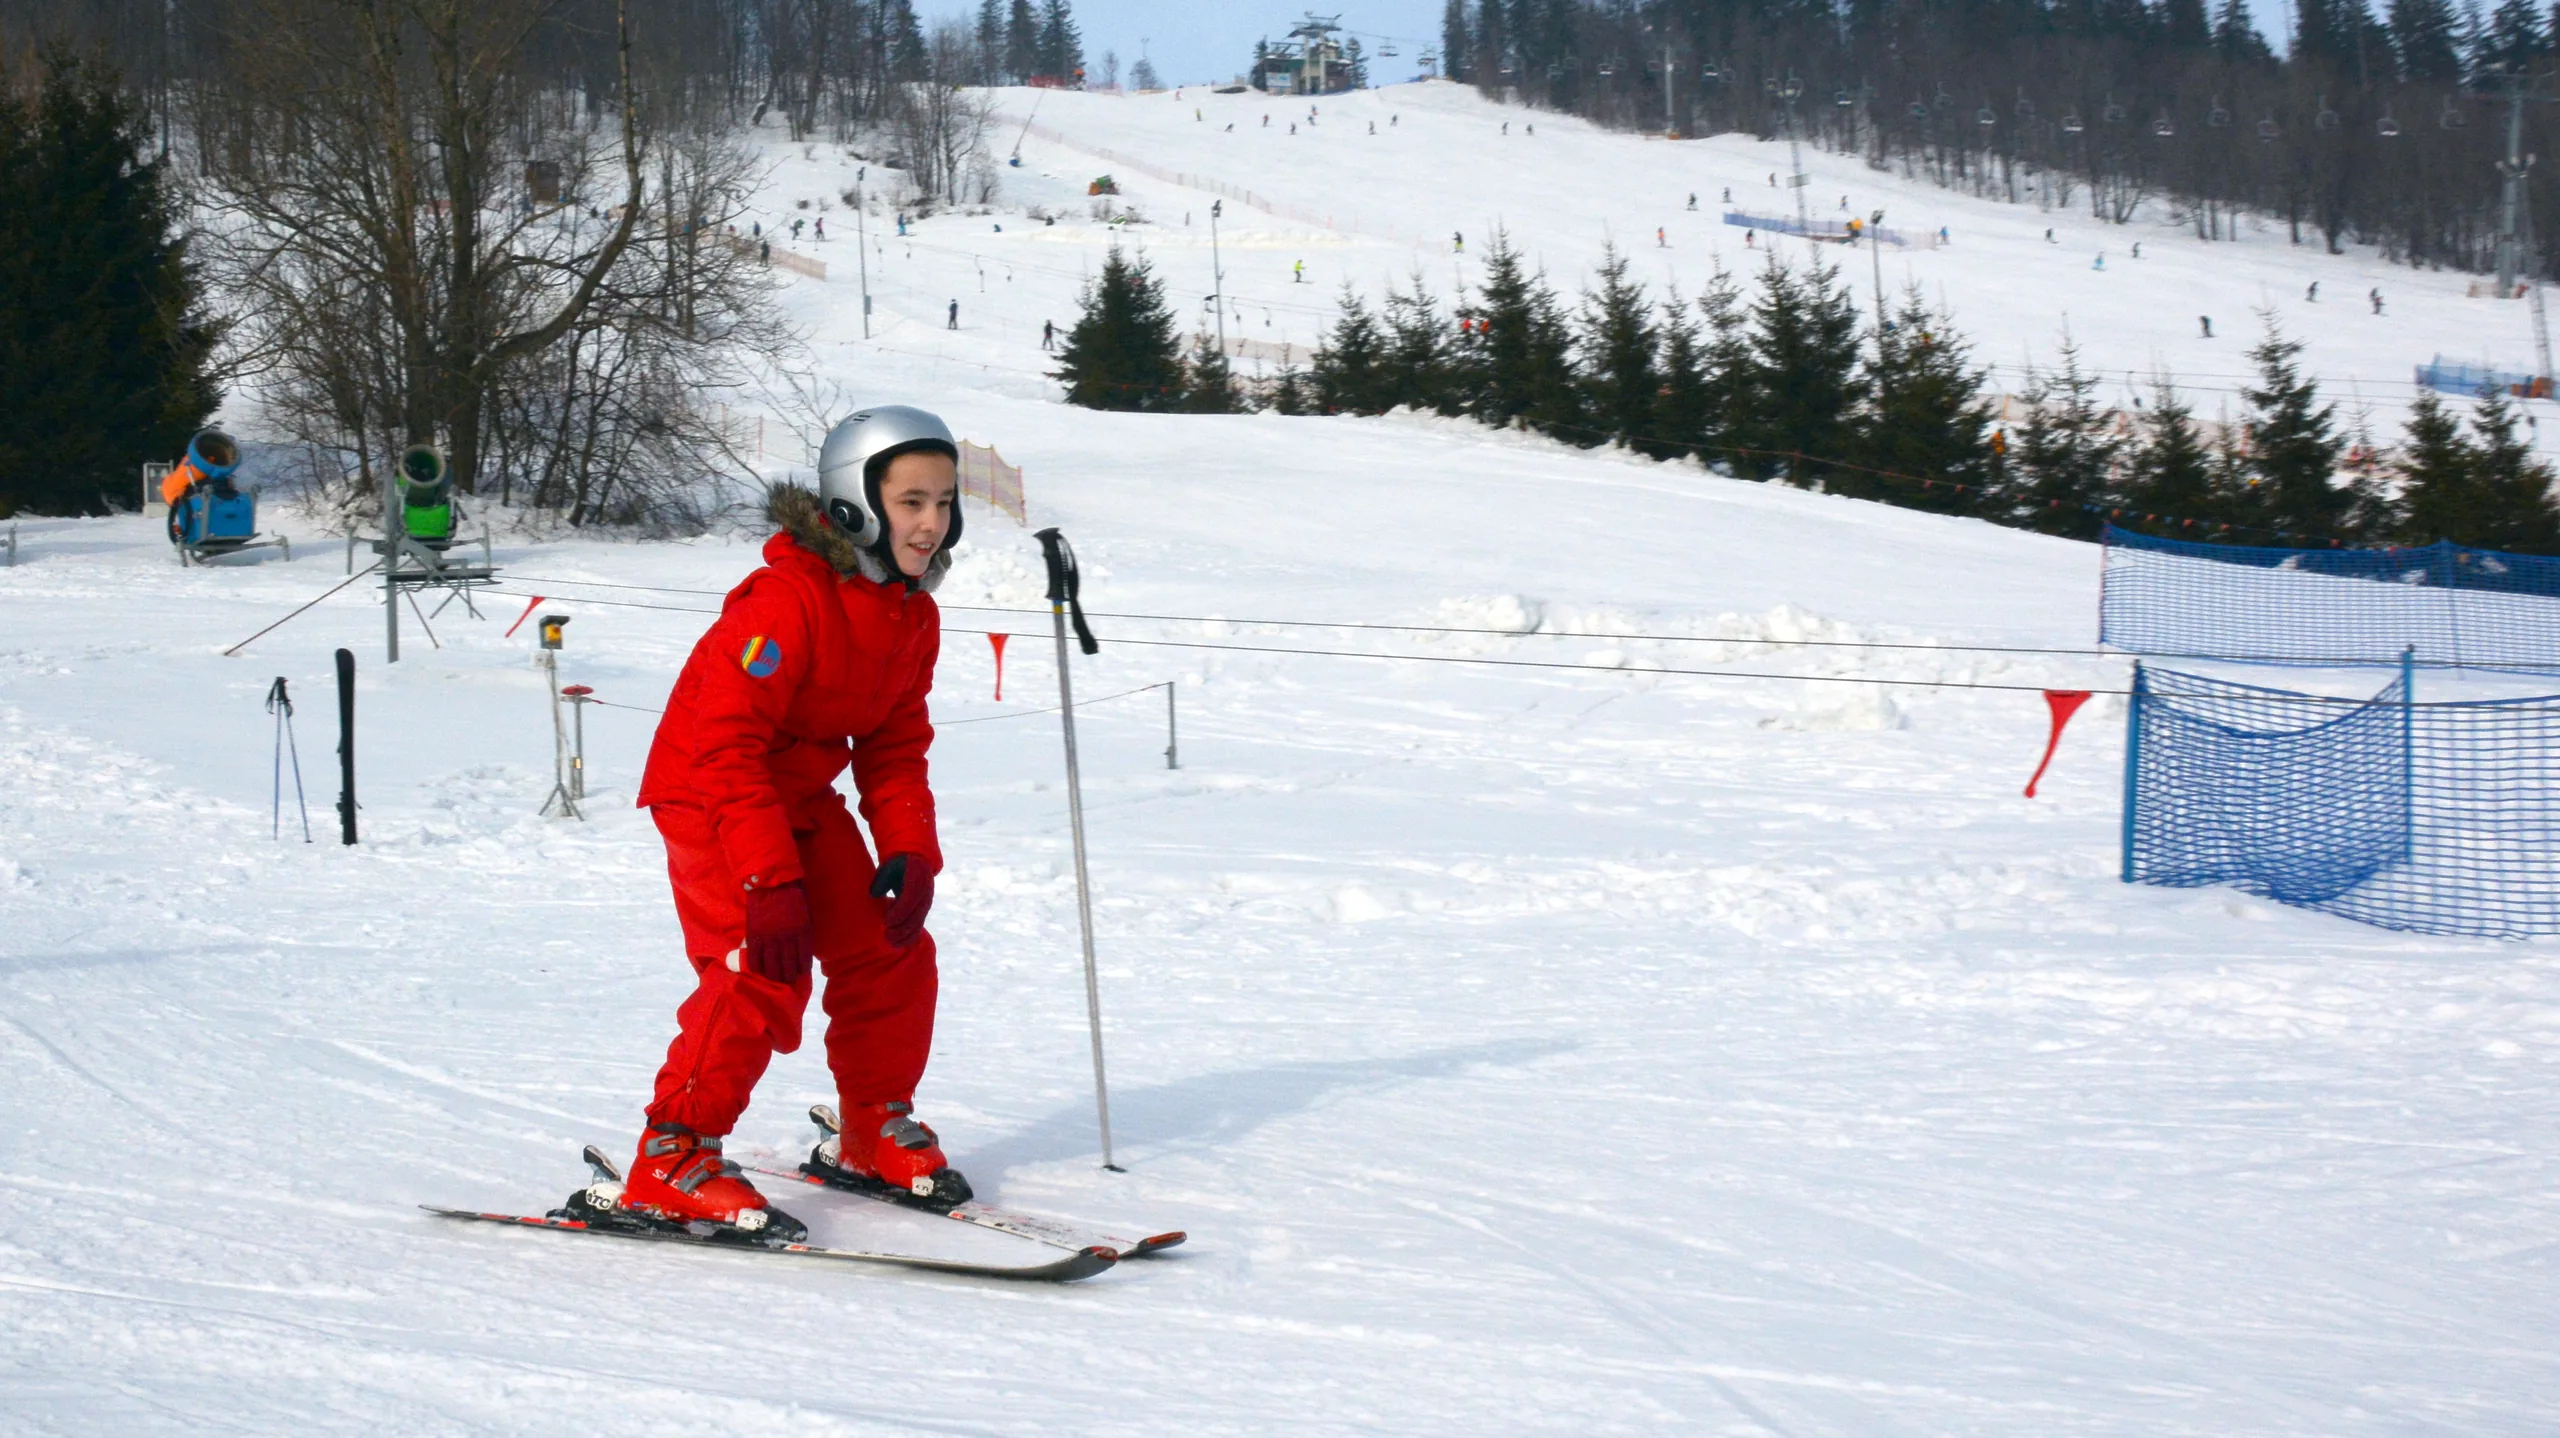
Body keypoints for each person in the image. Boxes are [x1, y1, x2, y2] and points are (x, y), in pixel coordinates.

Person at [618, 405, 967, 1237]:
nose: (931, 522)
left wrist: (911, 849)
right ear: (856, 503)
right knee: (759, 964)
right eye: (911, 501)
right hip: (712, 792)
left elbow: (892, 743)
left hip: (799, 796)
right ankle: (672, 1150)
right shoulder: (787, 600)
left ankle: (870, 1126)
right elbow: (723, 742)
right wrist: (767, 879)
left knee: (888, 944)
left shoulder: (909, 614)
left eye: (945, 503)